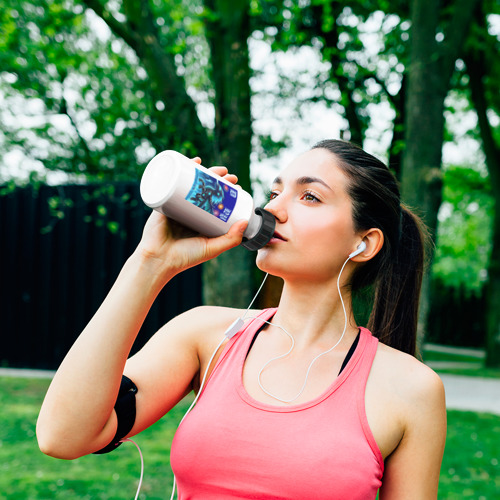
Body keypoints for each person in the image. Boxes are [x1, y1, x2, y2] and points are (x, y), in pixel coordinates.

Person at [37, 139, 447, 499]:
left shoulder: (411, 389)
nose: (273, 208)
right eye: (275, 191)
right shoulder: (205, 335)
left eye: (309, 197)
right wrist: (150, 263)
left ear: (363, 243)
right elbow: (63, 435)